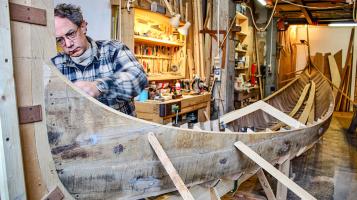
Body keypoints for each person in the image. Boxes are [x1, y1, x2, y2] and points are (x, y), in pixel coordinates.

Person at [51, 3, 147, 116]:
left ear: (83, 27)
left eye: (71, 34)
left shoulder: (113, 50)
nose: (68, 44)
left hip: (120, 132)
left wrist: (99, 86)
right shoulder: (56, 65)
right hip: (82, 133)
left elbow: (138, 78)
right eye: (60, 40)